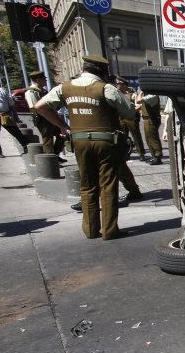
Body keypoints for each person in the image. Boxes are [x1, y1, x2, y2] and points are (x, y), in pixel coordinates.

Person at [33, 55, 135, 240]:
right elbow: (129, 112)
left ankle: (90, 229)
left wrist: (62, 126)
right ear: (102, 72)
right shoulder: (105, 88)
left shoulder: (64, 88)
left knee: (87, 185)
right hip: (106, 141)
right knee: (108, 185)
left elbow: (39, 106)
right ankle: (110, 230)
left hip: (79, 141)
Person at [24, 70, 67, 162]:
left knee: (62, 135)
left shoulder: (42, 90)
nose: (46, 81)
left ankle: (55, 155)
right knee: (48, 139)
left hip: (51, 117)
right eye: (44, 79)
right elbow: (34, 108)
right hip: (43, 119)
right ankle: (50, 161)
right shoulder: (31, 92)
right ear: (38, 79)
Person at [135, 88, 163, 165]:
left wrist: (140, 93)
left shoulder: (152, 95)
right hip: (147, 119)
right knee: (148, 138)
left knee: (153, 138)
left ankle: (158, 156)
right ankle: (154, 156)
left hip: (151, 119)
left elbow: (139, 100)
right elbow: (142, 105)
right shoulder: (149, 96)